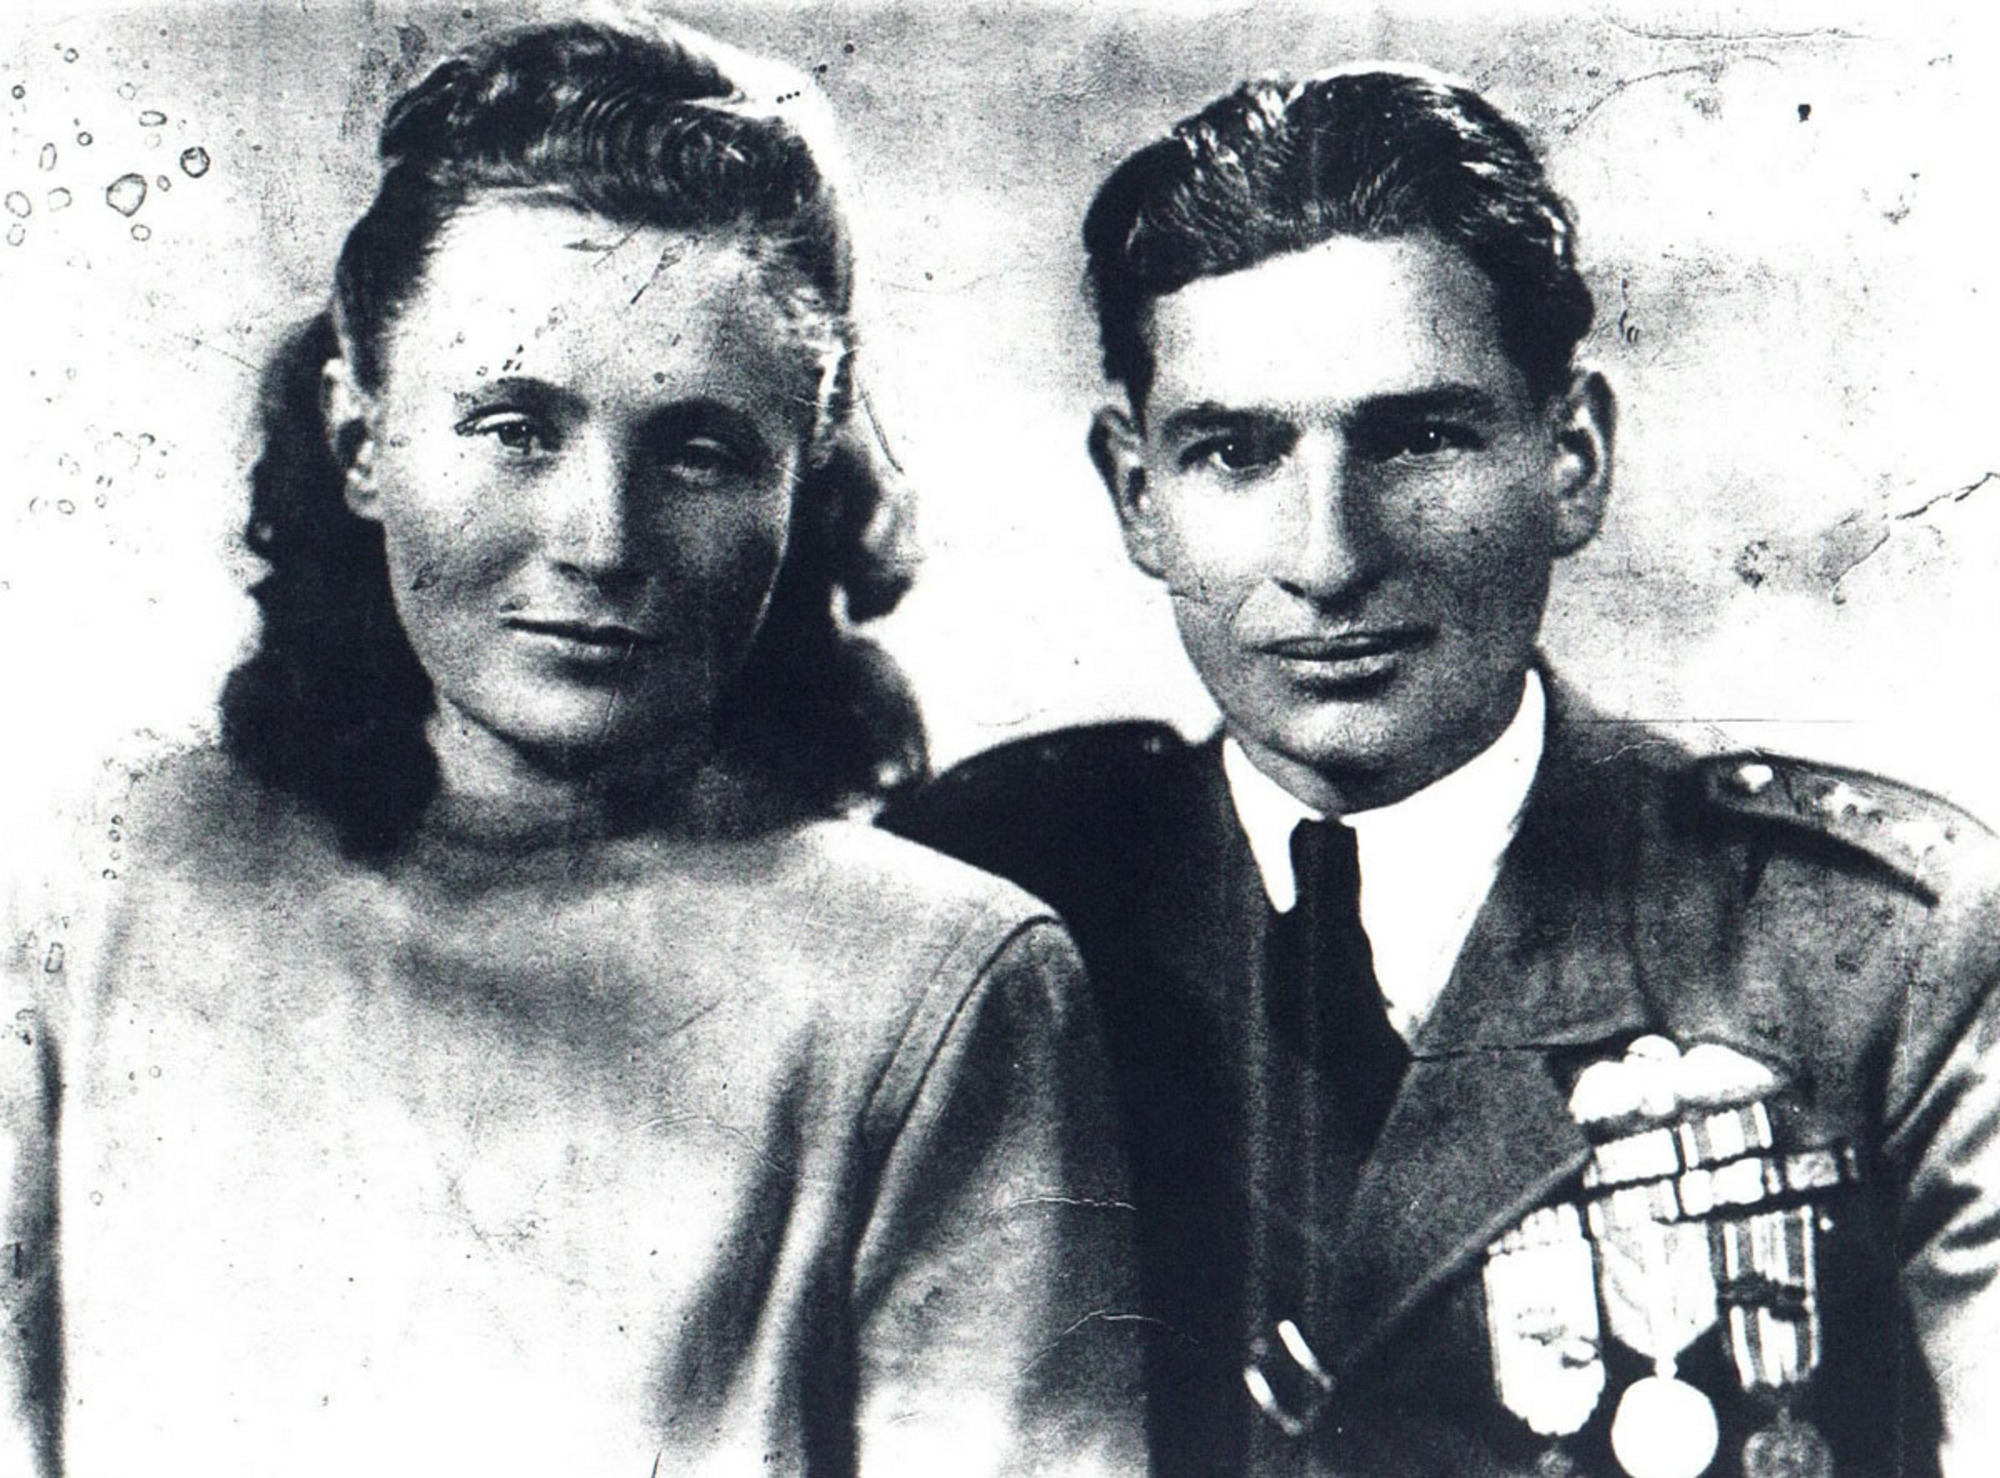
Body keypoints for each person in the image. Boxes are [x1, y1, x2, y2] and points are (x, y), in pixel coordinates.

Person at [0, 20, 1143, 1476]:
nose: (602, 540)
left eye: (699, 451)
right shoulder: (104, 879)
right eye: (514, 426)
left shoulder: (944, 984)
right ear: (361, 440)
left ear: (803, 476)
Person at [885, 66, 2000, 1478]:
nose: (1330, 556)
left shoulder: (1876, 953)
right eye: (1234, 451)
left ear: (1573, 457)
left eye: (1418, 438)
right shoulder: (987, 905)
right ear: (1135, 492)